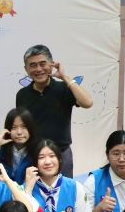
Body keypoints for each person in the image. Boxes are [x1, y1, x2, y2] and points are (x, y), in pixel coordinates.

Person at [15, 45, 93, 177]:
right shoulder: (22, 94)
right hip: (33, 155)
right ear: (26, 69)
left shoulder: (64, 88)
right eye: (33, 65)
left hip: (61, 154)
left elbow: (88, 103)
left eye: (42, 64)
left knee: (64, 189)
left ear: (52, 65)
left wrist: (64, 77)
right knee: (32, 190)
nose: (38, 69)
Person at [0, 108, 39, 186]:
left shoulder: (38, 150)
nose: (19, 132)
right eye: (14, 127)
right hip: (2, 191)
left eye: (24, 127)